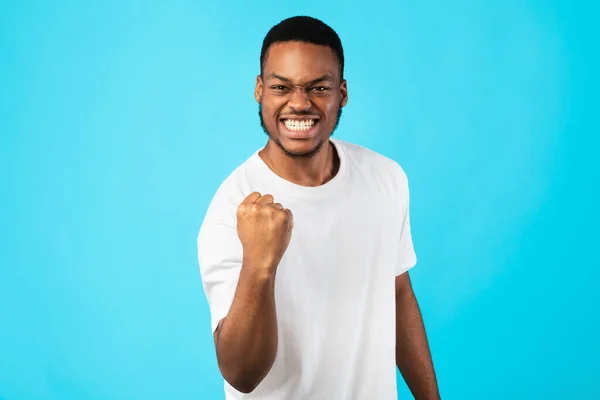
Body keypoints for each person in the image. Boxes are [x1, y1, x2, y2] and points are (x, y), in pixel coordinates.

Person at [197, 15, 440, 400]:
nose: (299, 103)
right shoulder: (234, 207)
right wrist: (260, 265)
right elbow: (241, 374)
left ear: (341, 93)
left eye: (318, 87)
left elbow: (397, 294)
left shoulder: (385, 177)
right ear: (260, 90)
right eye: (281, 87)